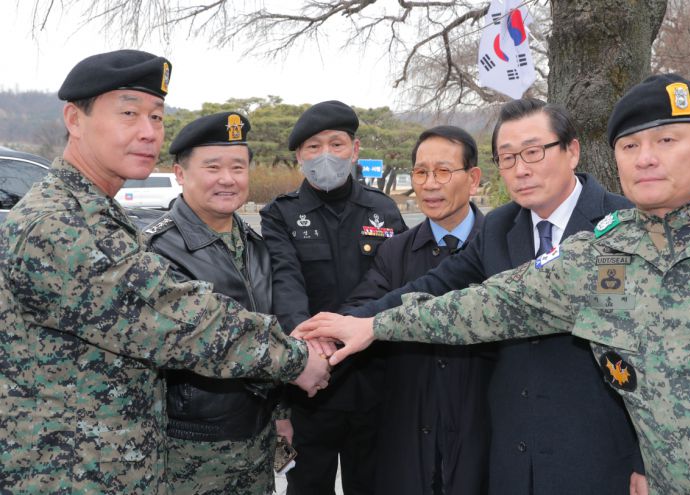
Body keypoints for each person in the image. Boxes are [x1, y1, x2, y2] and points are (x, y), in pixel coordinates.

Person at [301, 73, 690, 494]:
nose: (647, 159)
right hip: (527, 459)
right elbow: (478, 302)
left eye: (667, 140)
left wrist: (640, 461)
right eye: (630, 146)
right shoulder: (597, 250)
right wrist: (364, 324)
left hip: (627, 466)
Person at [0, 50, 330, 494]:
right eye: (129, 113)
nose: (148, 131)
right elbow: (176, 317)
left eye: (156, 117)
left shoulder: (97, 214)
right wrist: (295, 359)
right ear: (74, 120)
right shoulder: (59, 224)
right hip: (67, 475)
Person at [347, 99, 644, 494]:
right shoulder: (500, 227)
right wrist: (354, 324)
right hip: (514, 461)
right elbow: (434, 284)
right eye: (507, 158)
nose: (521, 169)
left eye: (534, 152)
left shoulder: (623, 225)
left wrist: (643, 459)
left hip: (599, 458)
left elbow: (653, 353)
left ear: (571, 151)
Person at [260, 100, 407, 495]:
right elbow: (285, 281)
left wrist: (337, 334)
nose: (325, 155)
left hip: (375, 379)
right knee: (308, 486)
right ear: (299, 156)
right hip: (311, 384)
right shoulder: (280, 214)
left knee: (375, 485)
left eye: (336, 144)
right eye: (313, 147)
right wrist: (311, 344)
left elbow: (392, 283)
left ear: (354, 150)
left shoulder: (383, 210)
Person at [343, 125, 490, 495]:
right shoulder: (396, 251)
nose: (430, 184)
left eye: (443, 171)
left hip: (484, 436)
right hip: (409, 435)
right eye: (421, 172)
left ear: (473, 179)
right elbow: (362, 307)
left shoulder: (502, 247)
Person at [144, 112, 283, 494]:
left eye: (238, 167)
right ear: (180, 173)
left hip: (257, 438)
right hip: (190, 448)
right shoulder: (157, 250)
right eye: (212, 167)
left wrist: (282, 413)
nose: (228, 179)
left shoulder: (257, 246)